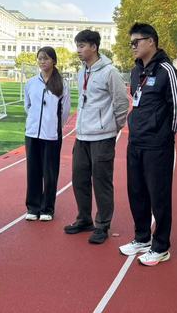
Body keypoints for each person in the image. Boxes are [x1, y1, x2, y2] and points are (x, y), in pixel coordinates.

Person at [119, 23, 177, 266]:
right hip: (136, 141)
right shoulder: (136, 71)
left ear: (151, 41)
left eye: (136, 42)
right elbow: (137, 102)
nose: (133, 46)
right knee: (136, 192)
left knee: (158, 196)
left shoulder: (167, 70)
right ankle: (142, 238)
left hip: (158, 145)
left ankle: (161, 246)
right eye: (131, 43)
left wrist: (165, 135)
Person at [64, 30, 129, 244]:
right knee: (79, 179)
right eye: (78, 46)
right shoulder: (82, 71)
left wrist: (113, 126)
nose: (78, 50)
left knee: (101, 182)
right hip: (82, 135)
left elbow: (121, 102)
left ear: (94, 47)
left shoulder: (110, 72)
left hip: (102, 136)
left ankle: (102, 225)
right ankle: (84, 219)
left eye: (82, 46)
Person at [24, 47, 71, 221]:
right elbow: (27, 106)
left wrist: (53, 124)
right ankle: (33, 207)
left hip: (51, 135)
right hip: (32, 134)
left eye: (46, 58)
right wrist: (34, 122)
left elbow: (65, 110)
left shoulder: (62, 84)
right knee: (33, 171)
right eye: (40, 58)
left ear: (54, 61)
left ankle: (47, 209)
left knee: (50, 173)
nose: (42, 61)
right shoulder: (31, 83)